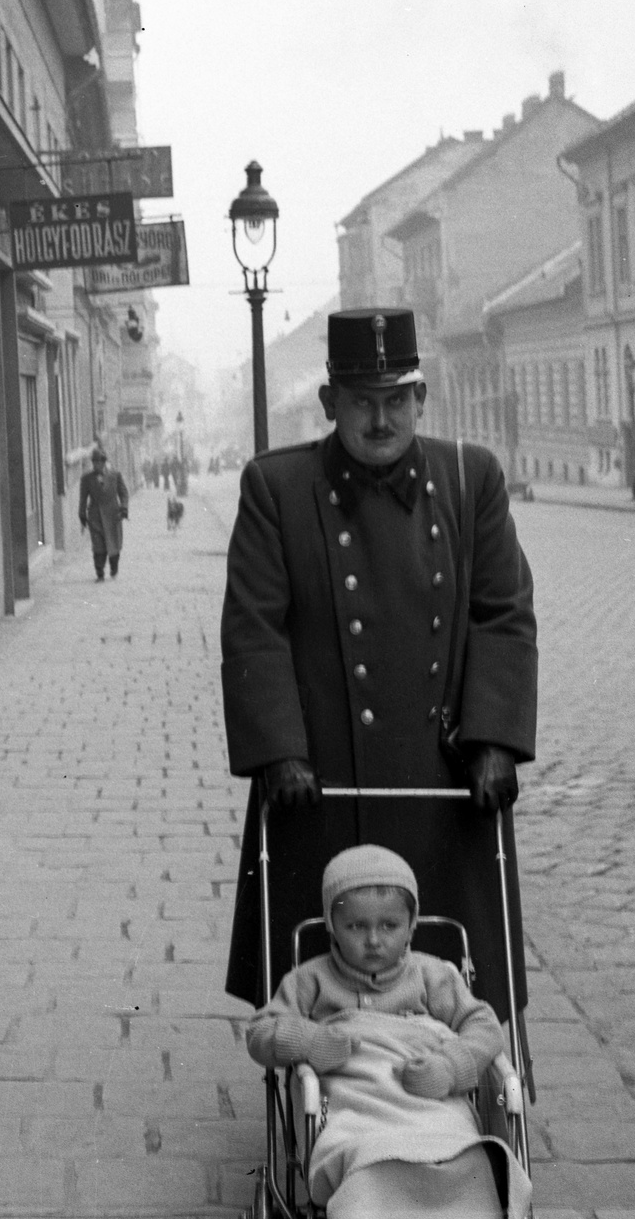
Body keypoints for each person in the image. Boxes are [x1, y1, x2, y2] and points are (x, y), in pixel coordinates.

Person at [221, 307, 538, 1034]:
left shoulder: (471, 477)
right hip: (323, 778)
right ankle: (318, 1094)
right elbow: (253, 628)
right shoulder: (277, 487)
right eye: (362, 401)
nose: (380, 418)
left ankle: (478, 1085)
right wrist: (280, 751)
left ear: (422, 399)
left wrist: (495, 739)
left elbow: (504, 613)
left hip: (443, 776)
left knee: (457, 958)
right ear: (331, 404)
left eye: (397, 398)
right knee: (321, 961)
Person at [245, 845, 531, 1218]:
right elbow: (260, 1031)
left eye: (389, 926)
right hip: (356, 1103)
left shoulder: (433, 975)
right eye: (356, 927)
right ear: (331, 924)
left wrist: (449, 1067)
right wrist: (311, 1041)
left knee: (464, 1152)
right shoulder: (310, 980)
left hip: (432, 1104)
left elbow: (485, 1027)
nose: (374, 940)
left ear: (412, 924)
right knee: (364, 1155)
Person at [78, 445, 129, 581]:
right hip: (95, 515)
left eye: (99, 462)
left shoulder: (115, 475)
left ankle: (114, 567)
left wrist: (123, 508)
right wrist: (82, 514)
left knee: (114, 544)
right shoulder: (87, 479)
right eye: (94, 462)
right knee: (98, 546)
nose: (96, 465)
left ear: (104, 462)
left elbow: (123, 493)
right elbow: (83, 498)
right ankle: (99, 573)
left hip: (113, 514)